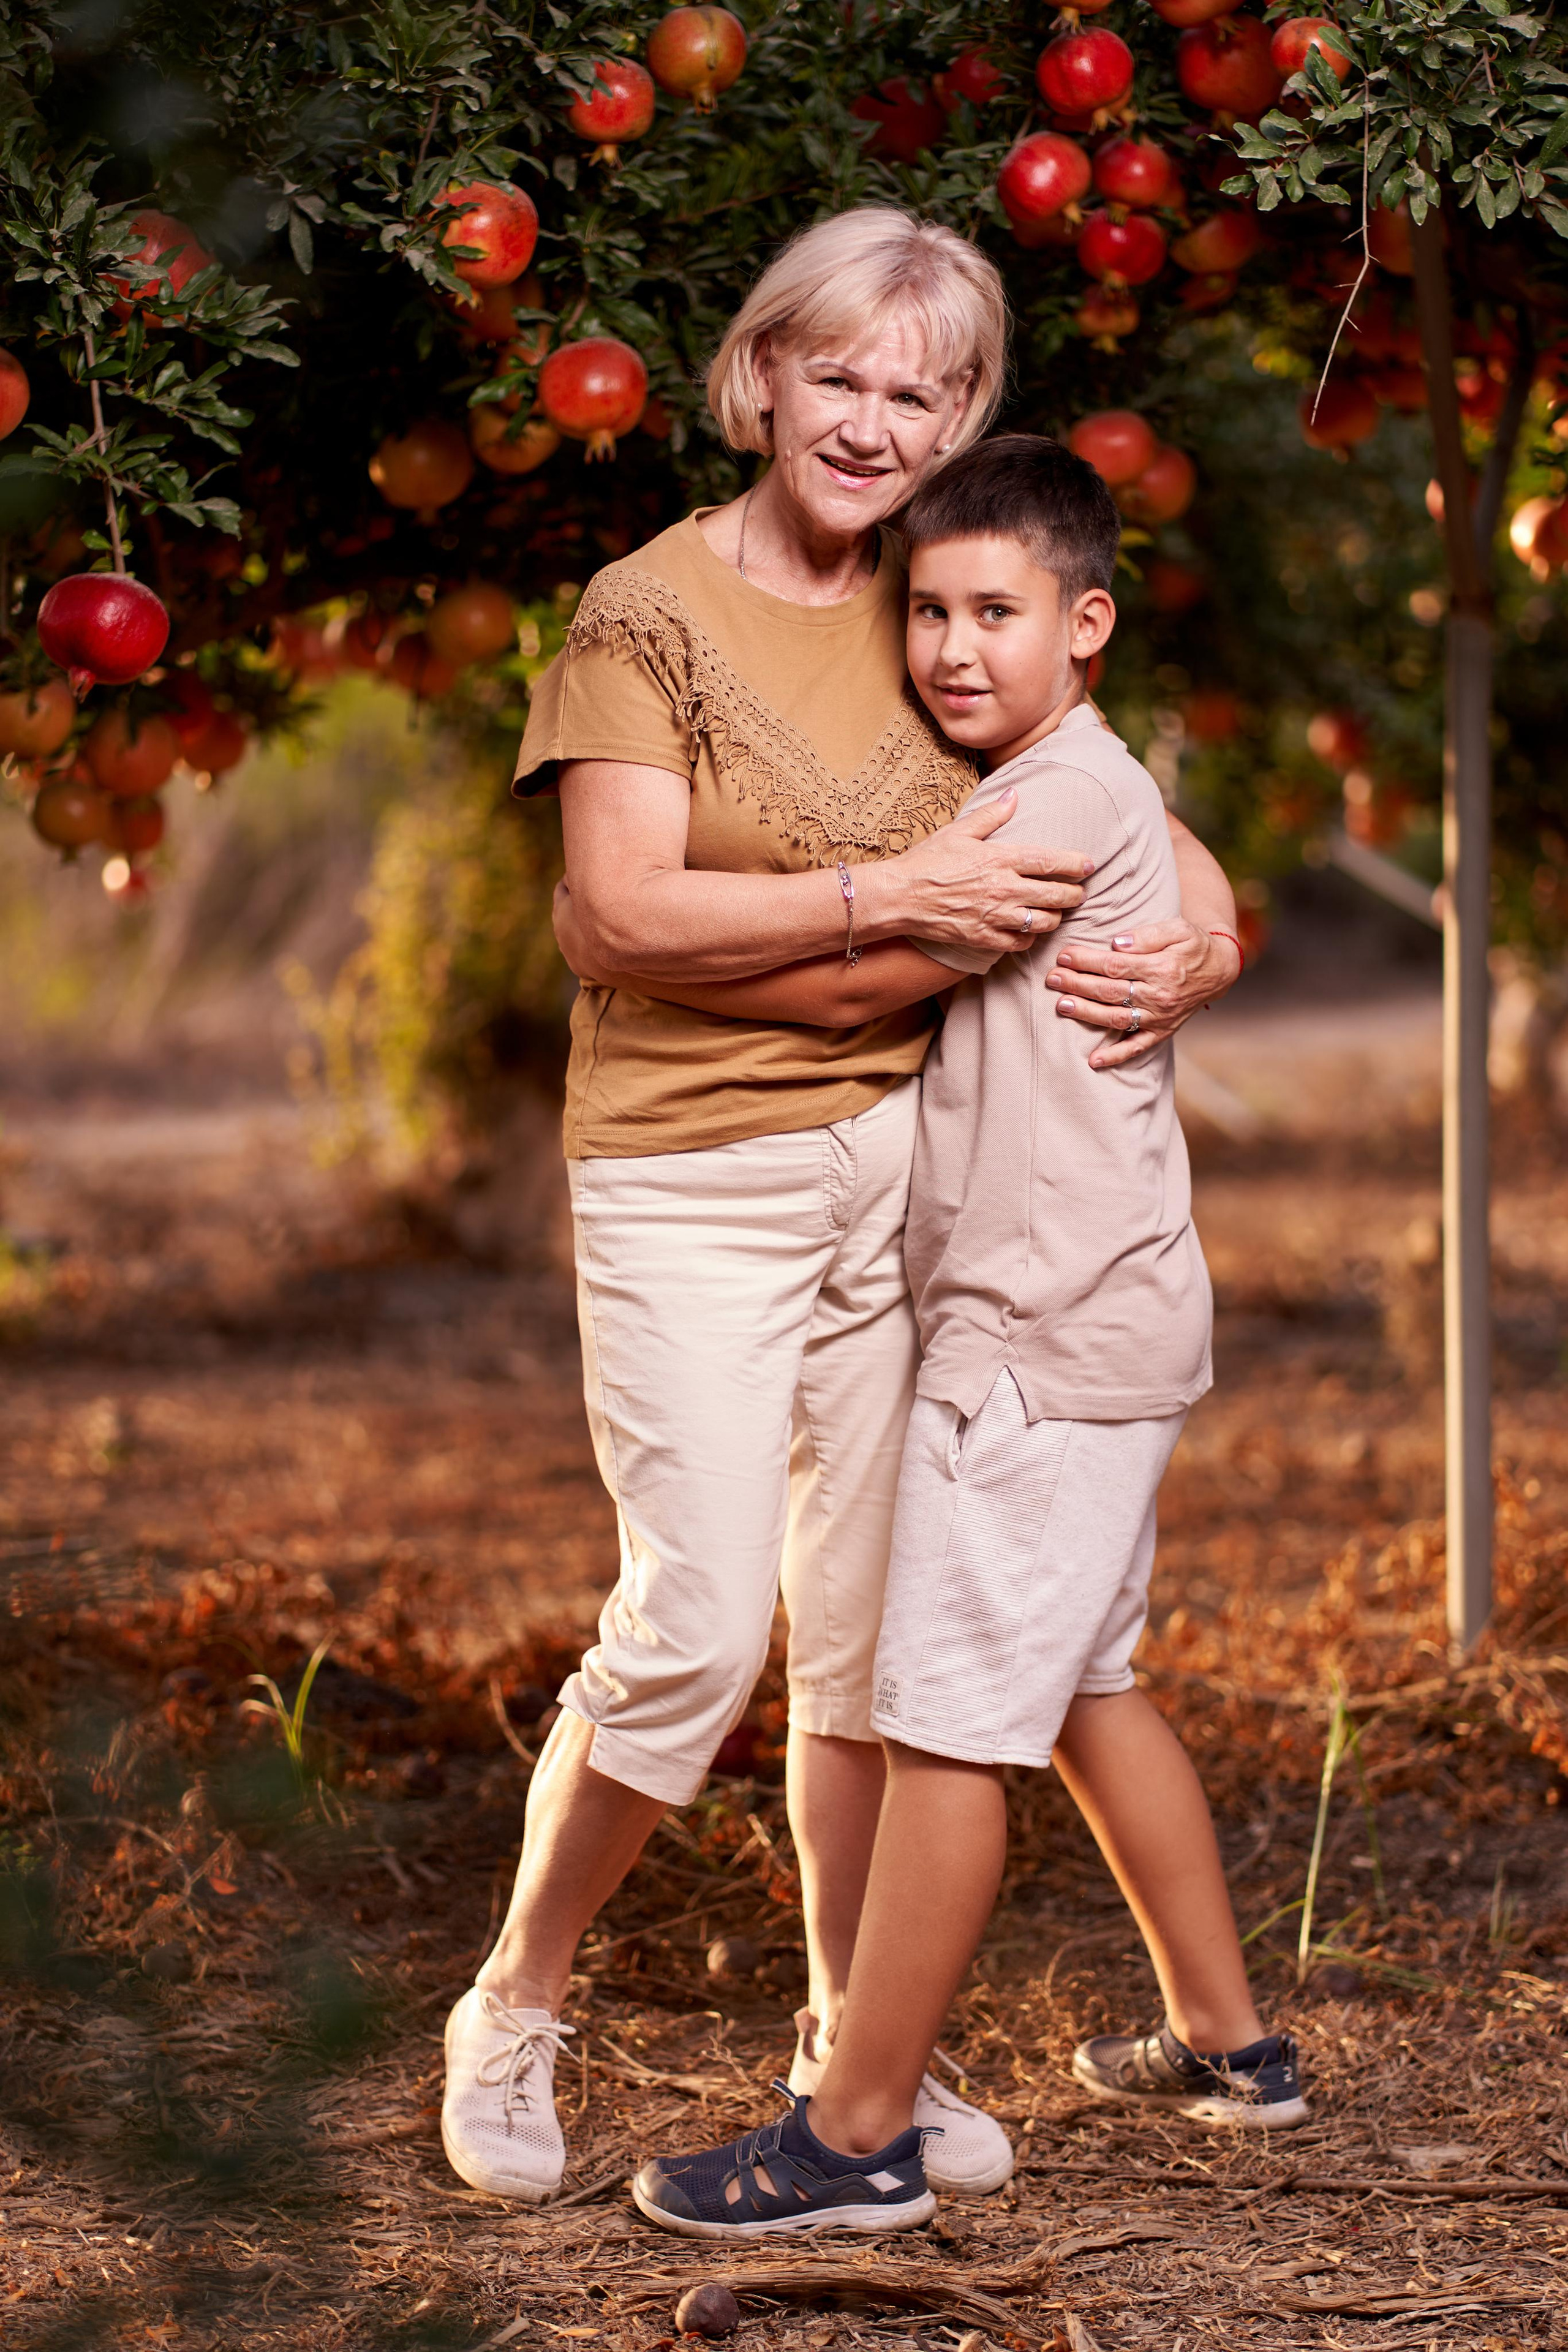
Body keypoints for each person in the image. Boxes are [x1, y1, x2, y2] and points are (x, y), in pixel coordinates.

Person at [440, 210, 1244, 2209]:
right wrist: (880, 916)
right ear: (763, 375)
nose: (877, 425)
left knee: (876, 1652)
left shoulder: (940, 593)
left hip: (905, 1176)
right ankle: (518, 1994)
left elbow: (1130, 810)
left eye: (926, 391)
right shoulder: (644, 615)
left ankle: (846, 2047)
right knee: (698, 1627)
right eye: (846, 377)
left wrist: (1206, 938)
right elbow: (621, 919)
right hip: (691, 1176)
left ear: (962, 415)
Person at [626, 435, 1304, 2244]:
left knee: (944, 1729)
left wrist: (635, 945)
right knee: (1085, 1685)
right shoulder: (1085, 775)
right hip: (1118, 1313)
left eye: (993, 612)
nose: (948, 647)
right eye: (925, 610)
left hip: (1030, 1336)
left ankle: (855, 2136)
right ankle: (1233, 2043)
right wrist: (1209, 920)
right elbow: (1164, 851)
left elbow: (877, 952)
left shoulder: (1036, 810)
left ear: (1085, 625)